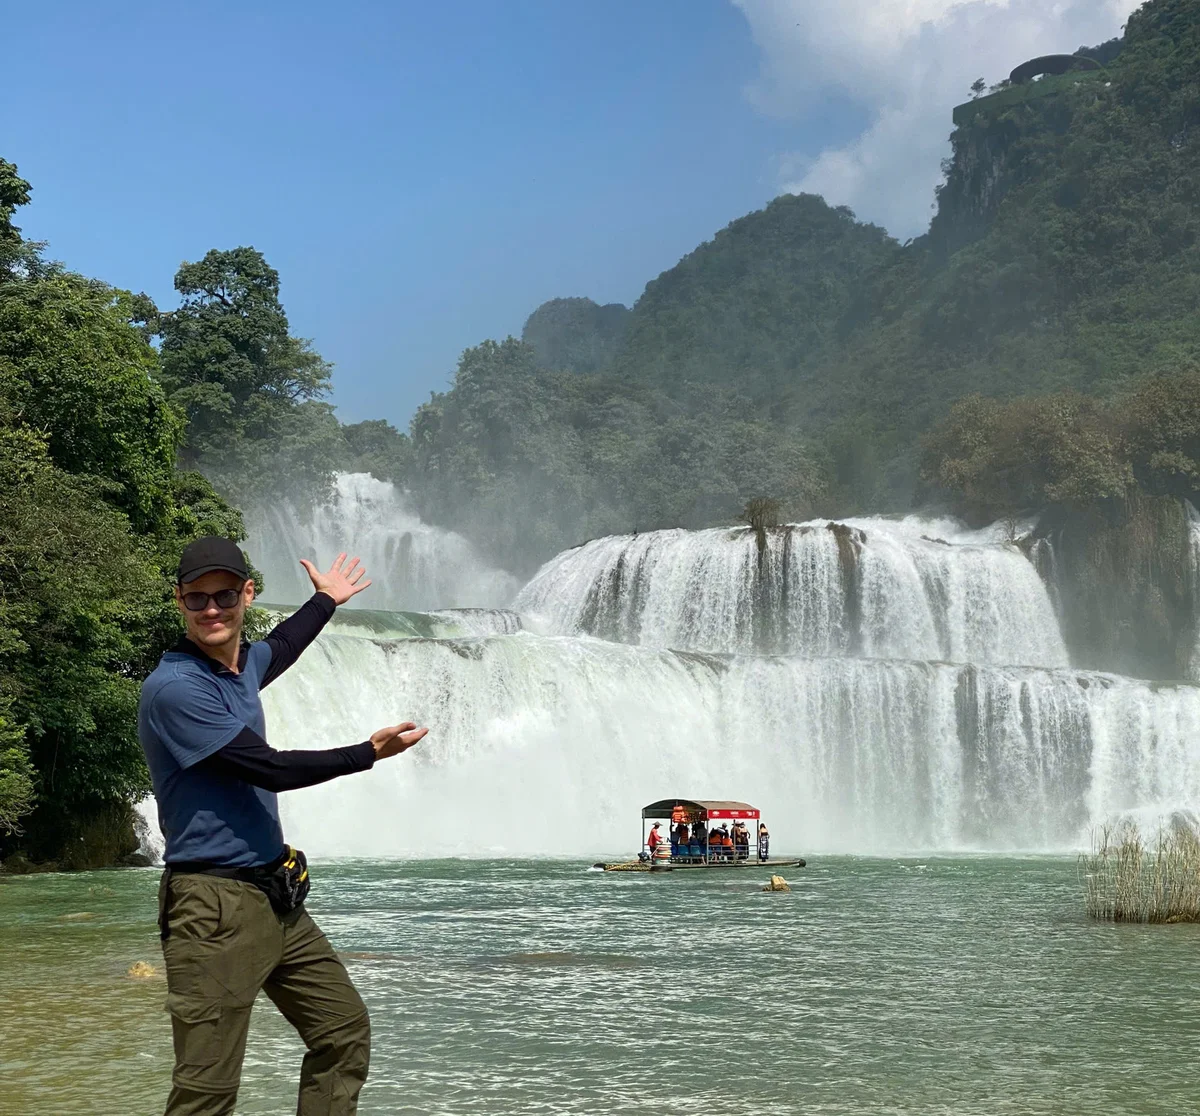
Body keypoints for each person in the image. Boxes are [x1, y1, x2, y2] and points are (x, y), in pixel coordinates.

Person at [140, 537, 429, 1116]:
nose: (212, 609)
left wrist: (325, 601)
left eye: (224, 594)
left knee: (343, 1034)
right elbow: (266, 769)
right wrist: (366, 753)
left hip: (277, 897)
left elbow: (283, 646)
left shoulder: (239, 666)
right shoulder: (176, 689)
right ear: (179, 602)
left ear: (248, 594)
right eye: (197, 599)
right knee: (206, 1091)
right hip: (212, 907)